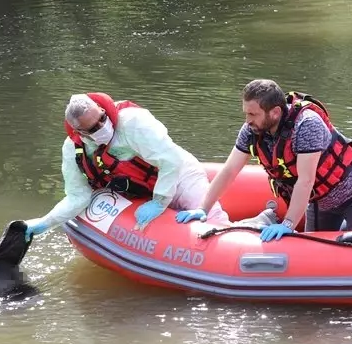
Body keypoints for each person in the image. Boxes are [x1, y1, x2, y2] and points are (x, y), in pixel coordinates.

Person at [176, 79, 352, 241]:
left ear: (275, 112)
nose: (247, 120)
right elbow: (230, 170)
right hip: (320, 202)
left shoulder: (306, 125)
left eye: (253, 114)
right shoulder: (251, 130)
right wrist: (202, 208)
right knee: (318, 253)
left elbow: (305, 180)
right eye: (246, 113)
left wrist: (288, 224)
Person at [22, 93, 228, 240]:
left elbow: (170, 161)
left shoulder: (133, 123)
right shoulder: (73, 149)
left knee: (213, 220)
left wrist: (159, 202)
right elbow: (78, 196)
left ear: (103, 110)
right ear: (80, 132)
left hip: (181, 177)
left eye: (102, 118)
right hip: (141, 193)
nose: (102, 127)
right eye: (93, 128)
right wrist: (45, 222)